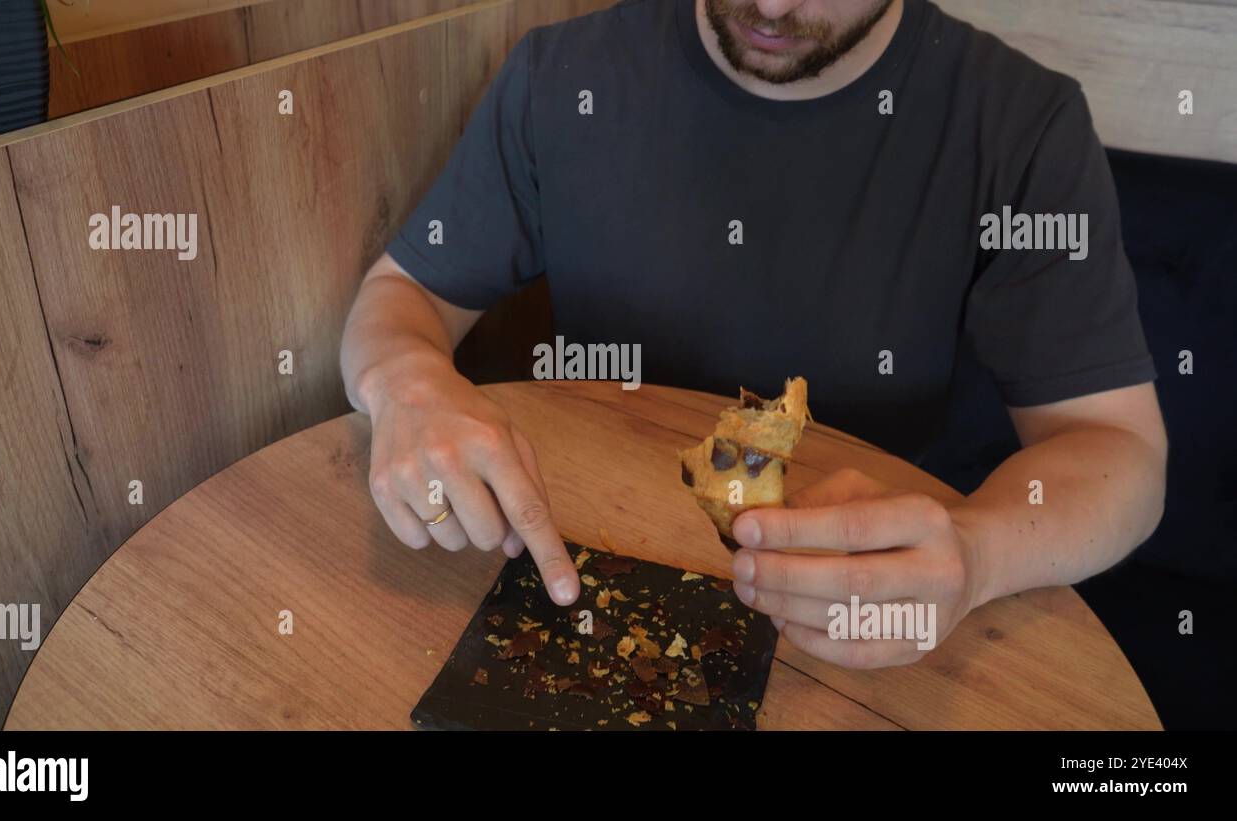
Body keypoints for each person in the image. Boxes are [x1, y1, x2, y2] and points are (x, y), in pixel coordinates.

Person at [339, 0, 1167, 668]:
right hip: (587, 578)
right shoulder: (564, 74)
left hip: (852, 631)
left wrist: (977, 554)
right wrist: (407, 382)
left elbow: (1117, 452)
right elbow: (404, 292)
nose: (771, 6)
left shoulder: (1018, 121)